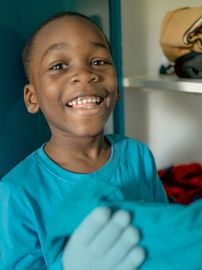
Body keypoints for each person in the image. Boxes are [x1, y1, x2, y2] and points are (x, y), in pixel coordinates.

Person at [0, 11, 168, 270]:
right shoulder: (18, 192)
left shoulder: (138, 155)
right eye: (59, 66)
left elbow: (165, 236)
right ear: (32, 97)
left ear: (117, 89)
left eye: (99, 61)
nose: (85, 74)